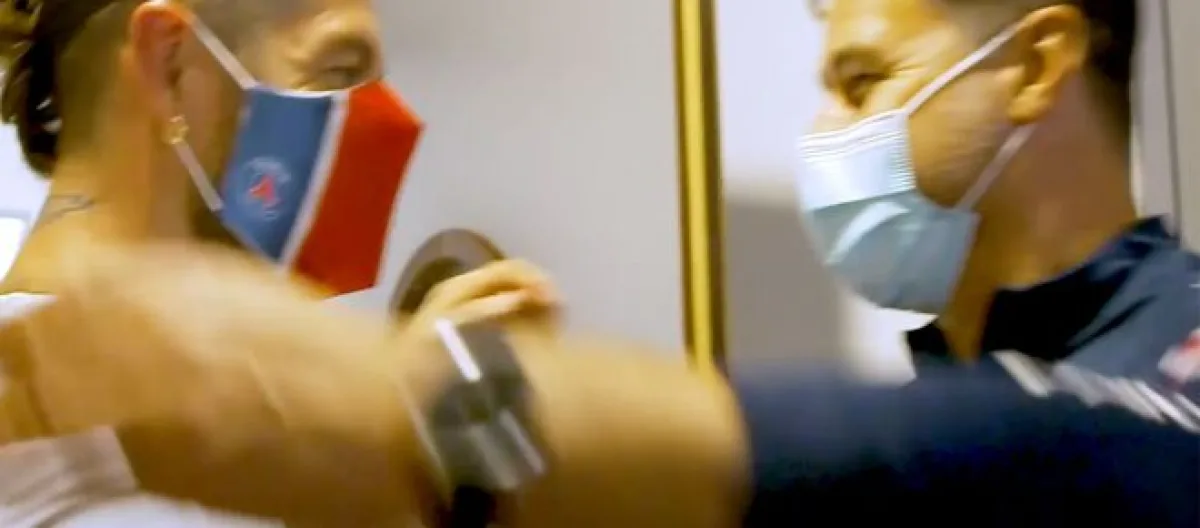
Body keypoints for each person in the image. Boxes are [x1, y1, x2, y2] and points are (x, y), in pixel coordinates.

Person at [2, 0, 1198, 527]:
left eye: (865, 82)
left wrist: (431, 417)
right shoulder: (48, 391)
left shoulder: (1136, 391)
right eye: (340, 72)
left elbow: (1082, 464)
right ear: (172, 68)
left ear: (1036, 67)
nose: (826, 137)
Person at [0, 0, 558, 525]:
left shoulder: (217, 418)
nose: (387, 122)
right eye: (339, 71)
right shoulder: (40, 415)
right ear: (174, 68)